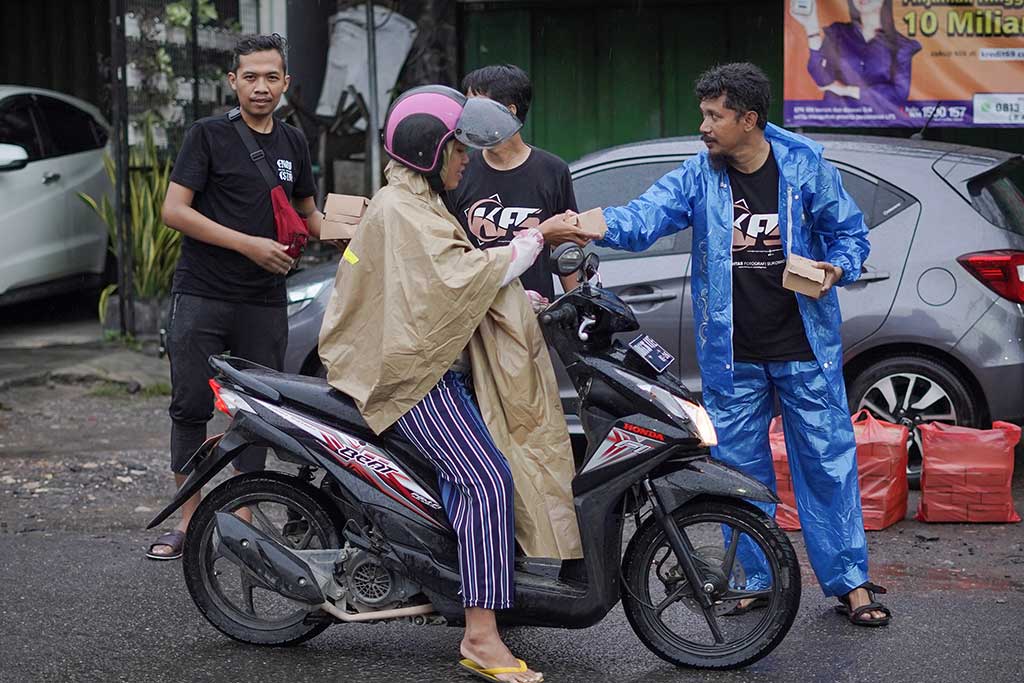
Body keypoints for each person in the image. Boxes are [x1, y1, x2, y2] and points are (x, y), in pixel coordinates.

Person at [588, 62, 891, 627]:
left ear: (748, 119)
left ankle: (851, 584)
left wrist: (837, 268)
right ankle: (757, 579)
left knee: (827, 467)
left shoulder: (804, 166)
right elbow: (643, 219)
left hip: (804, 348)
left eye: (713, 116)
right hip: (734, 357)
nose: (703, 126)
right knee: (740, 472)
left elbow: (850, 235)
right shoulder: (698, 175)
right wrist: (586, 224)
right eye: (703, 114)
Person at [318, 85, 588, 682]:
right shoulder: (403, 209)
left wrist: (523, 297)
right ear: (428, 151)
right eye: (458, 150)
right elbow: (460, 279)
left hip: (424, 361)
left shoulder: (418, 200)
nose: (467, 161)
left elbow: (452, 285)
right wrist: (536, 239)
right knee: (488, 480)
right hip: (406, 374)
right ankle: (480, 635)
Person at [149, 34, 321, 560]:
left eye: (271, 77)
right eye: (250, 77)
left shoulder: (294, 143)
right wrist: (248, 245)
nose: (261, 87)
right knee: (191, 406)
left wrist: (364, 231)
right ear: (233, 81)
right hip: (203, 294)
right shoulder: (207, 136)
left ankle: (238, 524)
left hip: (264, 301)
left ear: (286, 83)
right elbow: (173, 211)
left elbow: (310, 217)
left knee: (256, 410)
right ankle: (188, 522)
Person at [444, 64, 579, 309]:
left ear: (510, 111)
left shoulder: (553, 170)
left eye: (477, 107)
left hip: (535, 318)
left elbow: (566, 249)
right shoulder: (459, 169)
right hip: (476, 315)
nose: (467, 115)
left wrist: (580, 307)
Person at [792, 0, 921, 111]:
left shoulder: (901, 46)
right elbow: (822, 80)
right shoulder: (838, 32)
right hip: (834, 119)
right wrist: (811, 27)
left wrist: (848, 90)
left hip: (882, 123)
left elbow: (899, 95)